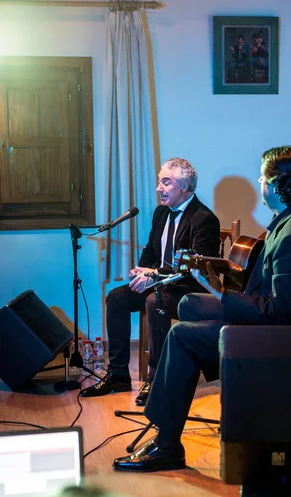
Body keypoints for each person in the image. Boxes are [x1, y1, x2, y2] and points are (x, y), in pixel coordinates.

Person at [113, 146, 291, 472]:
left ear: (277, 184)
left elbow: (281, 315)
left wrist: (223, 293)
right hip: (290, 327)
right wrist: (223, 285)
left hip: (290, 341)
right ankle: (199, 387)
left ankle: (167, 445)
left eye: (263, 176)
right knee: (188, 304)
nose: (259, 181)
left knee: (180, 336)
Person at [81, 157, 220, 403]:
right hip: (159, 284)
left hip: (188, 291)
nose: (159, 188)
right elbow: (151, 251)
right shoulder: (160, 212)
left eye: (166, 182)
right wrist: (142, 270)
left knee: (155, 302)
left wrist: (153, 276)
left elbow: (192, 271)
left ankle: (156, 379)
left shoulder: (204, 219)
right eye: (159, 182)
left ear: (185, 186)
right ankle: (118, 374)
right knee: (116, 298)